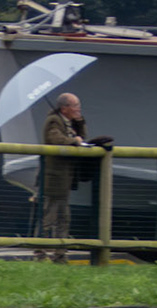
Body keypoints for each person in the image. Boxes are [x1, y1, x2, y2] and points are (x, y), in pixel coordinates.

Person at [39, 92, 109, 263]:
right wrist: (74, 142)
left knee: (63, 218)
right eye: (75, 106)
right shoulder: (54, 120)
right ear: (65, 108)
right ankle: (40, 253)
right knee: (48, 217)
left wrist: (79, 122)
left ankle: (60, 255)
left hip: (65, 178)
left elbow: (81, 137)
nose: (79, 109)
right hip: (54, 178)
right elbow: (55, 138)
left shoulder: (69, 122)